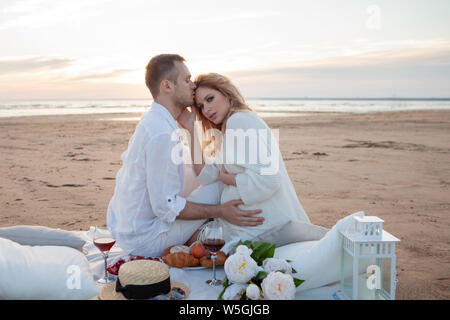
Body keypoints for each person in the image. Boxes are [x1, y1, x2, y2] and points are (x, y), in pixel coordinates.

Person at [107, 55, 264, 257]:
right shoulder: (161, 133)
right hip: (146, 240)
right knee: (220, 184)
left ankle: (202, 233)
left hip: (127, 228)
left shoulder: (154, 119)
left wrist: (190, 127)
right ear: (167, 86)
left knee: (204, 178)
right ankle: (244, 226)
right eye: (187, 80)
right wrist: (220, 210)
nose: (193, 86)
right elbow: (166, 208)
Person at [177, 73, 311, 243]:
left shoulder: (239, 121)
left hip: (261, 226)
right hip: (244, 224)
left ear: (226, 93)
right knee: (188, 241)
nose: (207, 109)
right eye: (201, 106)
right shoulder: (227, 129)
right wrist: (190, 128)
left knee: (186, 241)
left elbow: (269, 179)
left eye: (210, 99)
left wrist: (228, 178)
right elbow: (205, 174)